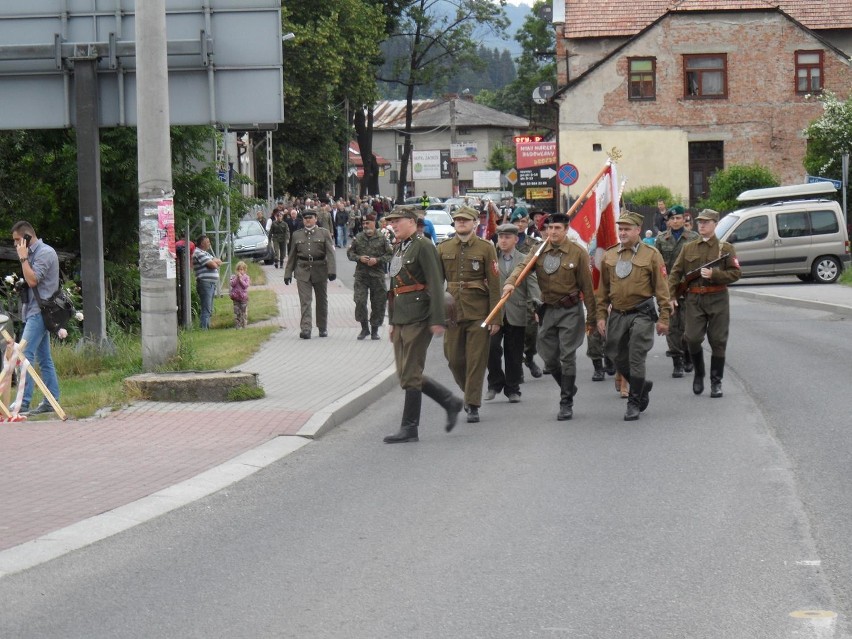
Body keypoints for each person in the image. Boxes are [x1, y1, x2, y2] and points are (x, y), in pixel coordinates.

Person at [382, 206, 464, 443]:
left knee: (410, 374)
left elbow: (435, 283)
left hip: (419, 316)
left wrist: (437, 319)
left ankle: (409, 428)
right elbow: (394, 287)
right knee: (405, 374)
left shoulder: (424, 245)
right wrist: (391, 320)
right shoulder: (400, 247)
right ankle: (450, 401)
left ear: (411, 221)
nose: (393, 225)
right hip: (400, 318)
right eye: (391, 221)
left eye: (397, 221)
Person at [504, 213, 596, 421]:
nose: (552, 232)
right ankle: (568, 385)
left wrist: (592, 317)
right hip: (548, 310)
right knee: (550, 358)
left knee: (567, 355)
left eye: (557, 228)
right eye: (550, 228)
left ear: (566, 230)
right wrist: (511, 281)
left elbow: (588, 288)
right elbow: (522, 267)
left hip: (570, 310)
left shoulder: (577, 253)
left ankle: (566, 402)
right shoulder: (538, 251)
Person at [595, 211, 671, 421]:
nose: (623, 233)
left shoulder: (652, 254)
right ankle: (642, 385)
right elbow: (602, 291)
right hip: (618, 314)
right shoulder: (610, 255)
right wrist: (601, 315)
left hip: (642, 314)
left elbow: (662, 289)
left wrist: (664, 318)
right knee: (615, 355)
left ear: (638, 230)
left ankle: (634, 402)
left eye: (627, 229)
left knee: (636, 354)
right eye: (620, 229)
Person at [437, 206, 502, 423]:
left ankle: (472, 404)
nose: (461, 223)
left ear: (475, 223)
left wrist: (495, 317)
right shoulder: (443, 247)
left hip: (479, 311)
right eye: (458, 220)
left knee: (476, 360)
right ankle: (469, 392)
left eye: (465, 220)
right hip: (452, 312)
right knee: (454, 359)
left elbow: (494, 285)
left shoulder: (486, 248)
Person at [667, 209, 742, 398]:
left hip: (717, 298)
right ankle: (699, 373)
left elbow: (736, 273)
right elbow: (675, 273)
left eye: (706, 222)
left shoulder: (725, 249)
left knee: (718, 341)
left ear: (715, 224)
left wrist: (715, 274)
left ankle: (716, 382)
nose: (702, 225)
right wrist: (671, 296)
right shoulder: (689, 248)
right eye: (700, 222)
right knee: (691, 338)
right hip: (694, 299)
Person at [486, 224, 540, 403]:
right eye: (500, 237)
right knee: (491, 348)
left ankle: (513, 388)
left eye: (507, 237)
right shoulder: (491, 258)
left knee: (514, 352)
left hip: (517, 311)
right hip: (495, 312)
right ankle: (494, 383)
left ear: (516, 239)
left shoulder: (525, 260)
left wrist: (538, 307)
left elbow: (533, 286)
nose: (503, 240)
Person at [11, 221, 61, 416]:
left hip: (41, 312)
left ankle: (22, 403)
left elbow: (33, 279)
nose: (15, 245)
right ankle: (51, 399)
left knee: (24, 356)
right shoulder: (32, 255)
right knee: (44, 358)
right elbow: (30, 283)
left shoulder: (45, 253)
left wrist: (23, 260)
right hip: (34, 310)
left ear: (27, 238)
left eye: (17, 240)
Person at [655, 205, 699, 377]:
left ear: (684, 219)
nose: (675, 221)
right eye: (672, 218)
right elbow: (657, 266)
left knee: (689, 326)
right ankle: (677, 361)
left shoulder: (693, 238)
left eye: (678, 218)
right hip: (668, 290)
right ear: (668, 221)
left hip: (688, 289)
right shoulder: (660, 240)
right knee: (672, 327)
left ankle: (687, 353)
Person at [283, 209, 336, 339]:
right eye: (305, 218)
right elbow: (292, 255)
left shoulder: (324, 233)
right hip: (302, 270)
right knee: (305, 301)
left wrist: (332, 271)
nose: (307, 220)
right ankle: (306, 328)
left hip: (320, 269)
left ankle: (322, 327)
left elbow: (330, 253)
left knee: (321, 300)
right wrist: (288, 273)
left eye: (310, 217)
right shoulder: (297, 235)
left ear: (315, 219)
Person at [347, 213, 392, 340]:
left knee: (378, 303)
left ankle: (375, 330)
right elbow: (350, 253)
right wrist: (359, 258)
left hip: (377, 275)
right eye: (363, 223)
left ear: (374, 223)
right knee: (360, 301)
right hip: (361, 275)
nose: (365, 226)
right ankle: (364, 329)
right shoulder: (358, 237)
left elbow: (390, 254)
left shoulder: (382, 238)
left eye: (368, 223)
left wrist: (377, 260)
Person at [192, 235, 222, 330]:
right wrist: (213, 262)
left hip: (211, 284)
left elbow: (219, 261)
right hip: (205, 283)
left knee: (210, 309)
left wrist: (214, 262)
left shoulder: (205, 253)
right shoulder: (198, 253)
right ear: (202, 243)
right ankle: (203, 329)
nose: (209, 244)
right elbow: (213, 265)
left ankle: (206, 327)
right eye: (208, 242)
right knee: (206, 308)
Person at [229, 260, 250, 329]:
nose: (240, 271)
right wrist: (237, 278)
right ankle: (238, 326)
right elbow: (232, 284)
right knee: (237, 312)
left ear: (245, 270)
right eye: (239, 269)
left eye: (242, 269)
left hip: (243, 297)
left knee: (243, 312)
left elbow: (245, 286)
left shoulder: (246, 277)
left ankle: (244, 325)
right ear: (236, 270)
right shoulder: (233, 277)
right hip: (236, 297)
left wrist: (241, 279)